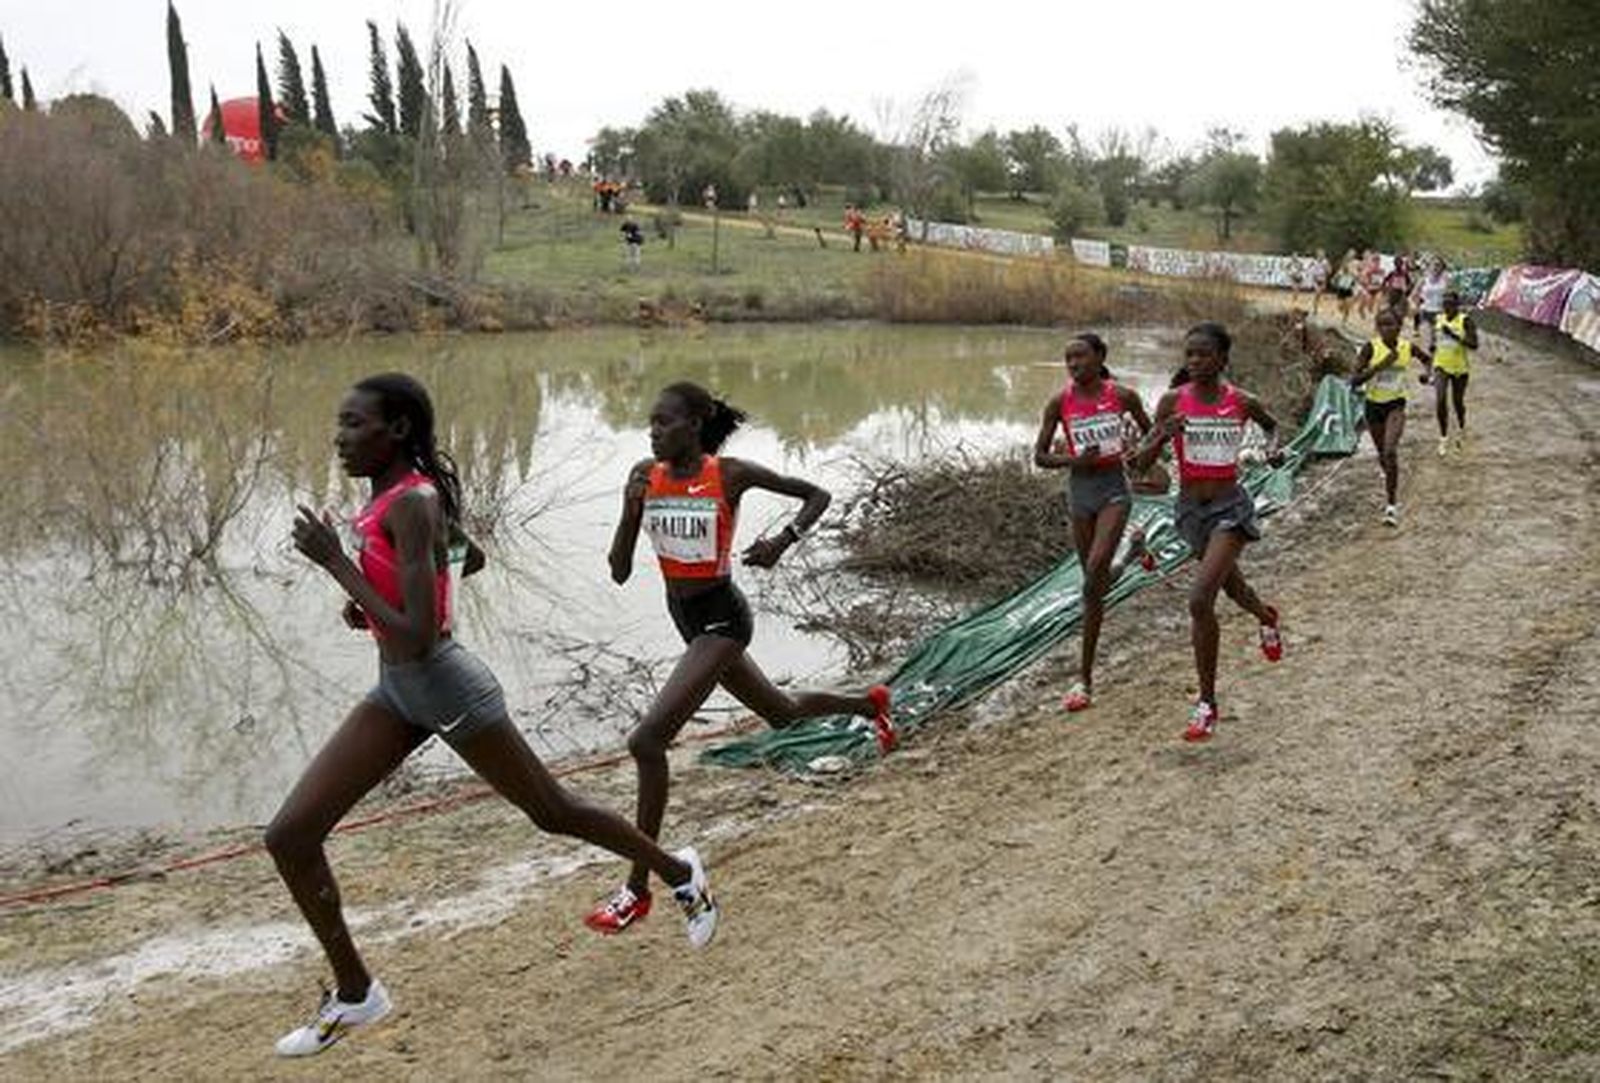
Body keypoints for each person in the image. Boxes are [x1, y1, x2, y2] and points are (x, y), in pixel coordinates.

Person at [269, 374, 719, 1057]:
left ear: (395, 431)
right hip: (397, 691)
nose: (339, 436)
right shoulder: (390, 496)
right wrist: (376, 595)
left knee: (553, 810)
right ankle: (357, 992)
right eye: (340, 422)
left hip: (446, 686)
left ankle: (678, 870)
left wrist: (340, 566)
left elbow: (420, 633)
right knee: (291, 834)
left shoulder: (414, 499)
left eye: (354, 424)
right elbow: (466, 559)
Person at [586, 382, 895, 934]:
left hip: (724, 620)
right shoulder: (645, 475)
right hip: (687, 622)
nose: (652, 432)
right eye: (650, 424)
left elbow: (815, 494)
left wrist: (782, 541)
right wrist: (631, 507)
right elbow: (618, 568)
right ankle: (871, 706)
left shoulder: (729, 474)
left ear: (695, 425)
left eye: (664, 423)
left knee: (646, 742)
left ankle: (639, 890)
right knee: (780, 712)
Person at [1132, 323, 1285, 742]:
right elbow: (1140, 464)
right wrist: (1163, 434)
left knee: (1200, 600)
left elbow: (1272, 427)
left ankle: (1206, 704)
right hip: (1191, 512)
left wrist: (1273, 450)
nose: (1194, 361)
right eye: (1189, 355)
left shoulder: (1241, 401)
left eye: (1203, 354)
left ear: (1222, 359)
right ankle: (1266, 616)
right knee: (1232, 588)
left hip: (1230, 509)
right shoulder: (1170, 402)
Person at [1033, 333, 1154, 713]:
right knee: (1094, 583)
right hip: (1080, 492)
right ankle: (1133, 554)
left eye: (1080, 357)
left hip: (1114, 490)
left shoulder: (1123, 396)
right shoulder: (1059, 402)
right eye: (1068, 359)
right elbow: (1039, 457)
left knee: (1095, 571)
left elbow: (1153, 437)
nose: (1073, 365)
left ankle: (1083, 678)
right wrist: (1073, 460)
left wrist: (1139, 450)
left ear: (1100, 356)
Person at [1348, 308, 1434, 526]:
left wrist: (1427, 374)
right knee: (1382, 455)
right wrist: (1380, 366)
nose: (1387, 328)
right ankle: (1390, 478)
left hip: (1396, 405)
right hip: (1373, 406)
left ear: (1400, 326)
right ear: (1378, 328)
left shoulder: (1407, 347)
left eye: (1391, 324)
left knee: (1390, 451)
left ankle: (1391, 507)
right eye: (1383, 325)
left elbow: (1427, 359)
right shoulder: (1370, 348)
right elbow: (1354, 380)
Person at [1429, 289, 1479, 454]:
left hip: (1460, 368)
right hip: (1440, 365)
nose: (1447, 307)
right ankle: (1443, 437)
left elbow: (1474, 345)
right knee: (1440, 399)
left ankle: (1461, 426)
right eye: (1444, 304)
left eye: (1450, 304)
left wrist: (1453, 336)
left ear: (1457, 305)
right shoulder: (1438, 319)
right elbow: (1433, 343)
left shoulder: (1466, 321)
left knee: (1457, 402)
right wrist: (1430, 361)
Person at [1412, 256, 1449, 334]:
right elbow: (1414, 294)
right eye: (1434, 265)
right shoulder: (1423, 279)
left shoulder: (1446, 280)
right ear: (1430, 266)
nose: (1436, 267)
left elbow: (1450, 294)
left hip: (1440, 312)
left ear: (1442, 268)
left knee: (1439, 337)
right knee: (1427, 337)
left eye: (1438, 265)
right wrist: (1417, 304)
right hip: (1425, 311)